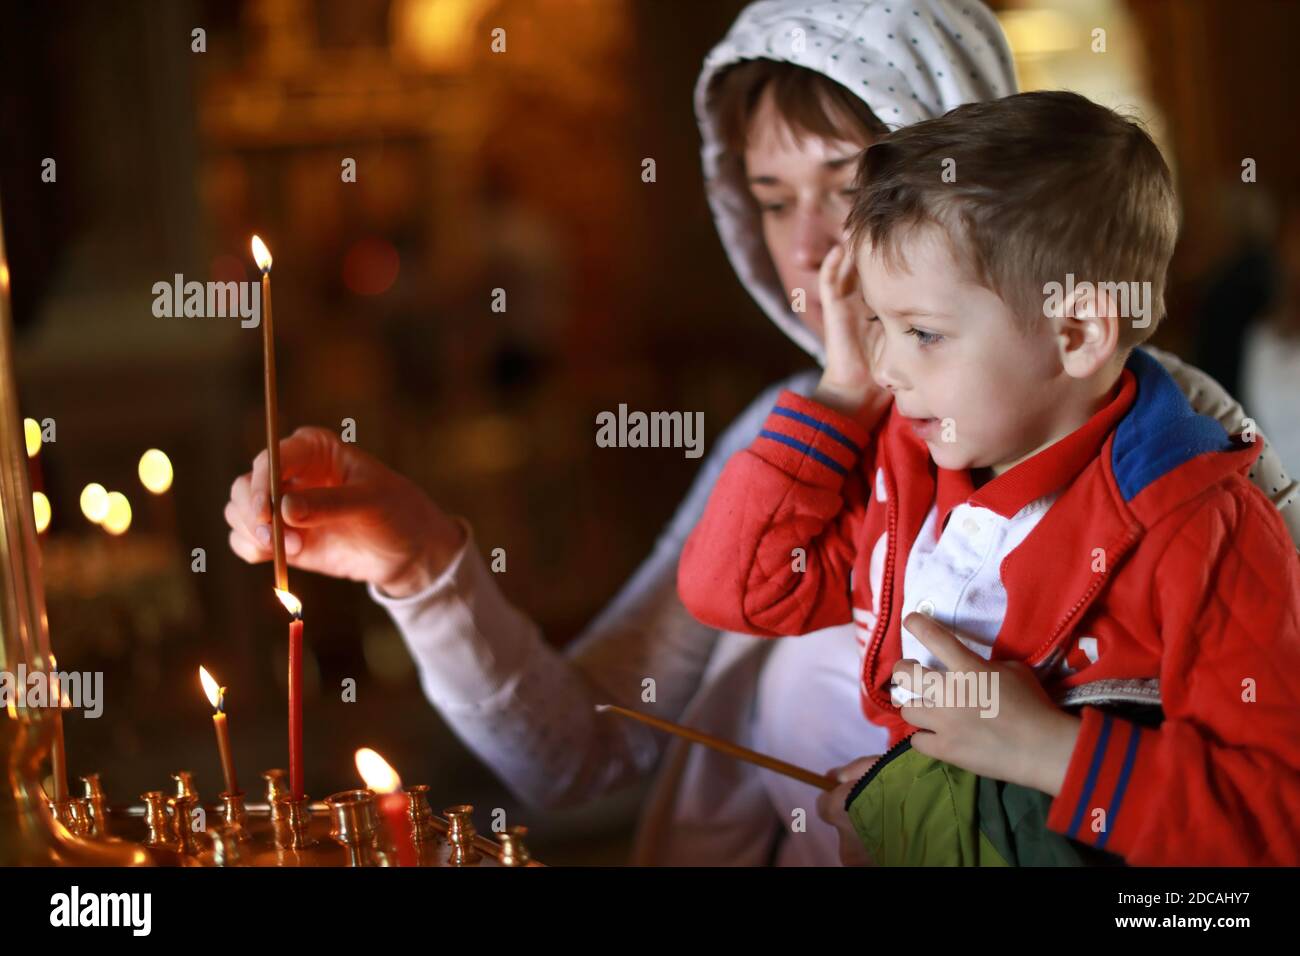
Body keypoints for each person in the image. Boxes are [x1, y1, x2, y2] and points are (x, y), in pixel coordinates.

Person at [224, 0, 1300, 865]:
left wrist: (1051, 755)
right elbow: (582, 750)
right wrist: (420, 561)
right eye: (772, 199)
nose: (812, 248)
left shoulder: (1184, 458)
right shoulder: (799, 434)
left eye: (857, 187)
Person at [677, 90, 1300, 865]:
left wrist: (1049, 753)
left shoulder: (1203, 529)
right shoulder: (906, 474)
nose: (887, 367)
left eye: (924, 333)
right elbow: (733, 589)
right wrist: (837, 394)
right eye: (877, 324)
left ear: (1075, 333)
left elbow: (1271, 822)